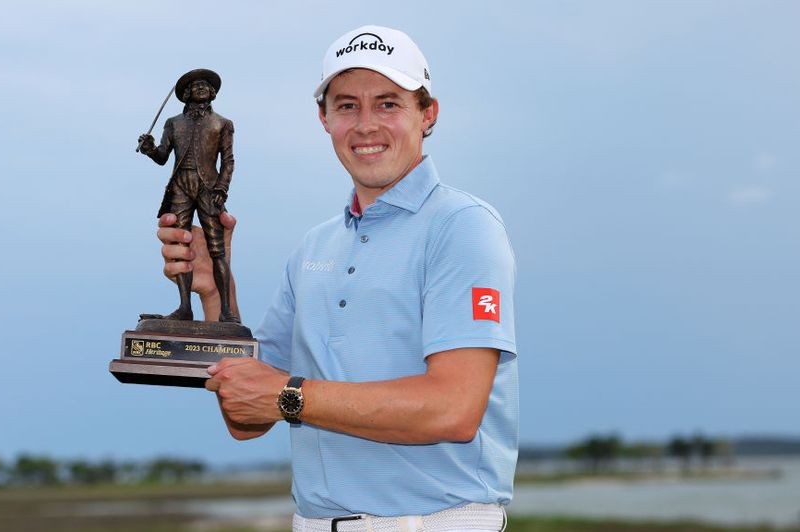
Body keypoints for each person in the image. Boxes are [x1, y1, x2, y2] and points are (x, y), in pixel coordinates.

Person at [158, 25, 518, 531]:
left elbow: (453, 410)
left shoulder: (463, 226)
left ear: (427, 113)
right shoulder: (313, 247)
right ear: (323, 118)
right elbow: (246, 418)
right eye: (347, 105)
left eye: (388, 103)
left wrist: (290, 395)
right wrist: (217, 296)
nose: (366, 125)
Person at [139, 68, 238, 323]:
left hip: (209, 188)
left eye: (206, 85)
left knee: (217, 251)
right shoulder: (173, 123)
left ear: (213, 92)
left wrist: (221, 189)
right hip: (181, 185)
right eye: (196, 86)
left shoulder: (222, 124)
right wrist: (150, 149)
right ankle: (185, 307)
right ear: (186, 94)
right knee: (180, 248)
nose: (202, 88)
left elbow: (228, 161)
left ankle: (226, 312)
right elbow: (163, 156)